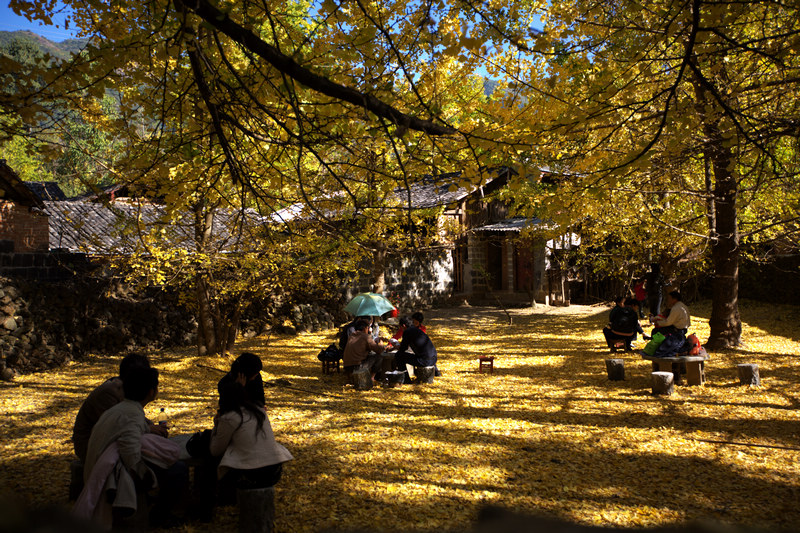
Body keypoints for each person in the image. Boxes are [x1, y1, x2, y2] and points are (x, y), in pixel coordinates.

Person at [80, 367, 187, 528]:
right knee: (178, 470)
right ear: (151, 392)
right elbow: (131, 454)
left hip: (99, 465)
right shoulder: (132, 414)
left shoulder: (122, 409)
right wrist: (146, 474)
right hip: (107, 476)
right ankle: (161, 516)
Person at [208, 380, 293, 506]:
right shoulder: (259, 411)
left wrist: (216, 426)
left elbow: (215, 450)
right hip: (274, 470)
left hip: (251, 475)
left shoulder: (230, 418)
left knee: (214, 462)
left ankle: (214, 502)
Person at [72, 353, 166, 464]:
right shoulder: (109, 393)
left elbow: (132, 417)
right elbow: (119, 426)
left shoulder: (124, 390)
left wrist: (151, 427)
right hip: (92, 446)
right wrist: (148, 428)